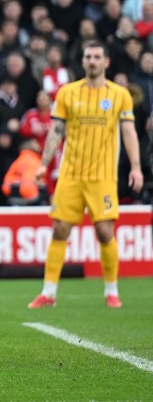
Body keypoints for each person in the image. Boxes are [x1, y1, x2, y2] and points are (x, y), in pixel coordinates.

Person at [28, 41, 144, 310]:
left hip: (102, 176)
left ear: (106, 62)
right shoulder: (67, 93)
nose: (92, 61)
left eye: (97, 57)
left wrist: (136, 167)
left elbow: (128, 132)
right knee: (59, 229)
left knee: (105, 232)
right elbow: (56, 131)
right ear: (83, 61)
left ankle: (111, 291)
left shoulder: (119, 95)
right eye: (88, 56)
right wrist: (44, 164)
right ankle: (49, 292)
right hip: (70, 173)